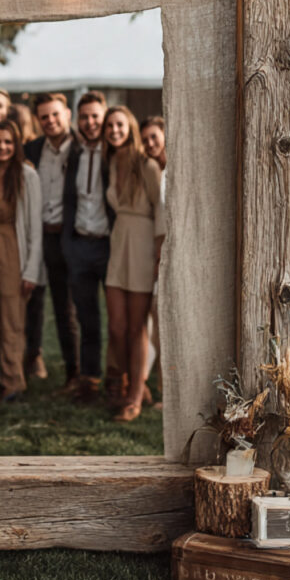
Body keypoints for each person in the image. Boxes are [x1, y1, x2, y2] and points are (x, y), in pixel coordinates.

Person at [103, 106, 164, 422]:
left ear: (128, 126)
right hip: (119, 243)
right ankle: (132, 382)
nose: (114, 130)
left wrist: (157, 255)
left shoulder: (148, 165)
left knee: (138, 327)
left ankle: (135, 398)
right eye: (109, 126)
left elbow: (160, 212)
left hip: (142, 244)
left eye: (119, 124)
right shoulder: (112, 162)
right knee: (117, 326)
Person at [24, 93, 80, 390]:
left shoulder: (82, 150)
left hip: (65, 238)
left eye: (55, 115)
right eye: (44, 117)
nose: (50, 121)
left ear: (67, 114)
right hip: (37, 234)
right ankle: (32, 358)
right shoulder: (32, 150)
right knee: (31, 301)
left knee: (65, 307)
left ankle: (74, 371)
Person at [61, 92, 113, 403]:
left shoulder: (115, 153)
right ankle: (89, 379)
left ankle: (120, 380)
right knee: (87, 317)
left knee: (119, 320)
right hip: (79, 245)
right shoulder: (75, 154)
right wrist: (69, 244)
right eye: (85, 117)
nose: (90, 122)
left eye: (95, 116)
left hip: (109, 246)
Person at [0, 118, 43, 400]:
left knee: (11, 320)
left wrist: (31, 271)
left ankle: (13, 382)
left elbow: (35, 226)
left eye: (8, 142)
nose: (2, 147)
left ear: (17, 144)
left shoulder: (26, 175)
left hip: (13, 248)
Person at [139, 115, 167, 408]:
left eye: (153, 137)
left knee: (162, 323)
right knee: (154, 322)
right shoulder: (150, 170)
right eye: (144, 139)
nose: (149, 144)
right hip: (153, 254)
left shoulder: (175, 171)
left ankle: (167, 392)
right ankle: (151, 384)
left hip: (169, 256)